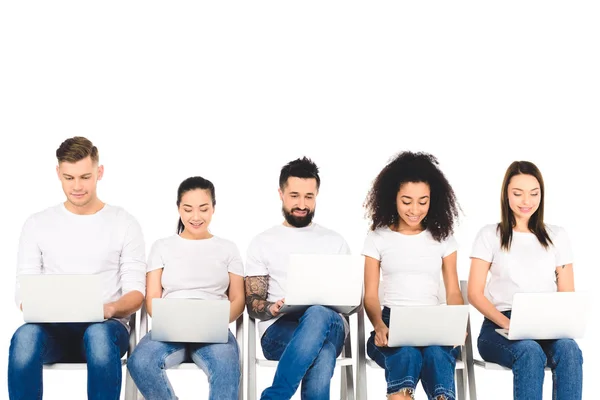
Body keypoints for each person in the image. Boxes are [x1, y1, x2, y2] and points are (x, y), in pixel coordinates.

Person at [8, 136, 146, 400]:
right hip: (53, 331)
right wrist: (41, 307)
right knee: (24, 338)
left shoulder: (124, 223)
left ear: (99, 172)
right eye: (69, 178)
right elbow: (23, 292)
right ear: (58, 173)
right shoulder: (37, 224)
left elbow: (136, 293)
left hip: (106, 328)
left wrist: (110, 308)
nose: (77, 186)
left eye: (85, 177)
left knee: (97, 335)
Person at [468, 160, 583, 399]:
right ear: (506, 195)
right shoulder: (490, 234)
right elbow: (474, 293)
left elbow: (567, 295)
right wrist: (510, 325)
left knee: (570, 349)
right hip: (500, 325)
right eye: (517, 193)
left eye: (534, 193)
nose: (526, 201)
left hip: (546, 325)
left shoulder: (557, 236)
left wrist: (556, 325)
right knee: (529, 351)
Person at [127, 176, 244, 400]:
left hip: (214, 332)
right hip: (169, 331)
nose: (196, 216)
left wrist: (215, 320)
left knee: (227, 368)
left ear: (213, 209)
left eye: (203, 208)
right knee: (140, 361)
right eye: (188, 209)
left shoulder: (228, 248)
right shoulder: (162, 247)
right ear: (178, 208)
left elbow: (238, 298)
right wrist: (171, 320)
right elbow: (152, 298)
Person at [244, 156, 351, 400]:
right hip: (278, 329)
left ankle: (274, 396)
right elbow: (253, 303)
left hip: (330, 324)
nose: (302, 204)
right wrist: (272, 308)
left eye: (309, 197)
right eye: (294, 196)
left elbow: (353, 301)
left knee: (318, 312)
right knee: (322, 354)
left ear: (317, 195)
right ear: (281, 193)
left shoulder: (335, 241)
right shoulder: (262, 242)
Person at [362, 151, 463, 400]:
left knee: (436, 355)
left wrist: (457, 322)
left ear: (433, 200)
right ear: (392, 197)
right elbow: (371, 295)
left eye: (423, 201)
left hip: (433, 325)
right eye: (407, 201)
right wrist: (378, 325)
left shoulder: (443, 239)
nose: (415, 210)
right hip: (390, 323)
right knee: (406, 353)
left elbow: (452, 290)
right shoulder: (378, 238)